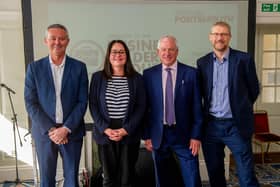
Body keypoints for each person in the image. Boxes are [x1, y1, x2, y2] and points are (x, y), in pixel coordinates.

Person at [196, 21, 260, 187]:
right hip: (211, 127)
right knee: (215, 173)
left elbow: (253, 90)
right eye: (216, 34)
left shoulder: (244, 59)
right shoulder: (202, 63)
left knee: (246, 174)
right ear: (210, 38)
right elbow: (202, 93)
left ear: (229, 37)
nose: (220, 37)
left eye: (224, 34)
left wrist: (241, 108)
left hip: (236, 126)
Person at [24, 24, 88, 187]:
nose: (57, 42)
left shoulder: (79, 67)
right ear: (46, 41)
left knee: (72, 179)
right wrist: (52, 130)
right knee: (46, 179)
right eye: (53, 38)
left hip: (71, 133)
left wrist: (65, 129)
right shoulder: (34, 68)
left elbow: (82, 102)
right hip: (45, 133)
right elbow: (31, 103)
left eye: (62, 38)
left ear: (68, 41)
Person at [143, 35, 203, 187]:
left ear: (177, 52)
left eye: (171, 49)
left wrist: (196, 136)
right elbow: (145, 108)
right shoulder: (149, 74)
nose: (167, 53)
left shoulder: (191, 73)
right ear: (158, 52)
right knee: (162, 180)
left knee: (192, 178)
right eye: (163, 49)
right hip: (159, 135)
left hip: (185, 135)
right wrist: (147, 136)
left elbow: (197, 107)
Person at [89, 40, 146, 187]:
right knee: (108, 179)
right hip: (105, 133)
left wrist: (126, 129)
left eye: (121, 52)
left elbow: (141, 107)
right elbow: (93, 106)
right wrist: (105, 129)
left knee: (128, 179)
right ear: (108, 55)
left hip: (129, 132)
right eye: (114, 52)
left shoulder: (137, 79)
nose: (118, 55)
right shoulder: (97, 78)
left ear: (127, 55)